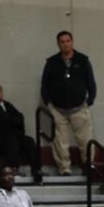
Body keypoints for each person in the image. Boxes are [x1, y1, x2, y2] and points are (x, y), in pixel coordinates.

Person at [40, 31, 96, 176]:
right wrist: (49, 104)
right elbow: (44, 85)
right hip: (58, 109)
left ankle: (88, 165)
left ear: (72, 42)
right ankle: (64, 168)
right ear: (58, 44)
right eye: (62, 42)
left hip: (79, 108)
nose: (65, 44)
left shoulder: (83, 60)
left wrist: (89, 101)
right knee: (60, 141)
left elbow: (91, 82)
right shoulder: (51, 62)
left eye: (68, 41)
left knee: (85, 139)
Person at [0, 82, 40, 182]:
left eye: (0, 91)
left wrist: (9, 120)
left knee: (28, 141)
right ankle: (12, 170)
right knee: (10, 139)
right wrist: (11, 121)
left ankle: (36, 170)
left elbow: (20, 118)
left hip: (13, 135)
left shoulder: (7, 105)